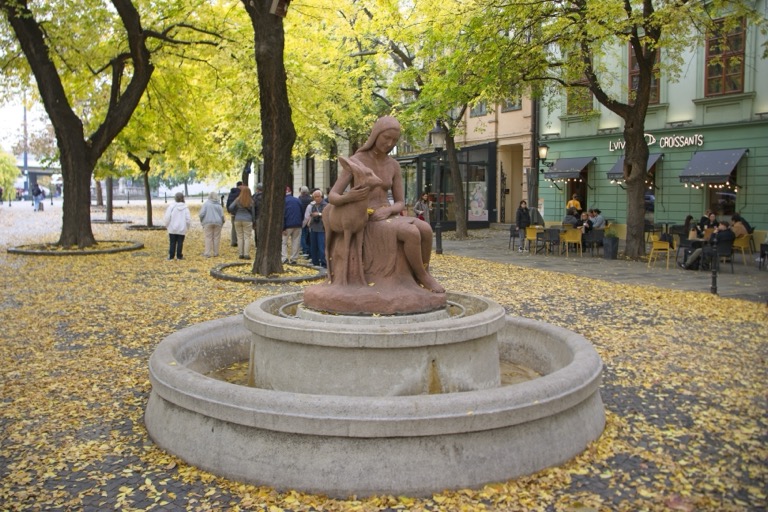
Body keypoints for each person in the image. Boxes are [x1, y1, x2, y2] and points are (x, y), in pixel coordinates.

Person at [228, 185, 256, 260]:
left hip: (237, 219)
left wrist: (236, 212)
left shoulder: (237, 200)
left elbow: (230, 207)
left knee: (239, 237)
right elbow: (253, 212)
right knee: (247, 237)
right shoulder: (251, 201)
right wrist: (253, 221)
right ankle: (246, 254)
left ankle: (240, 254)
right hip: (247, 220)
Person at [163, 192, 191, 260]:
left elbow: (167, 217)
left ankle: (171, 256)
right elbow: (188, 219)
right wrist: (188, 226)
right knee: (180, 242)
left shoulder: (171, 207)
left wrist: (166, 225)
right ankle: (179, 256)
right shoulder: (185, 208)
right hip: (182, 228)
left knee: (172, 242)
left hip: (172, 228)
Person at [199, 191, 225, 258]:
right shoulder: (218, 205)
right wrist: (222, 221)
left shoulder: (206, 204)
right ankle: (216, 253)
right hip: (218, 222)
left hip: (208, 222)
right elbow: (222, 215)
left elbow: (201, 214)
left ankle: (207, 253)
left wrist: (202, 221)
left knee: (208, 237)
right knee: (216, 238)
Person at [305, 189, 327, 267]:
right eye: (315, 197)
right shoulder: (313, 206)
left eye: (318, 197)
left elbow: (327, 215)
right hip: (313, 227)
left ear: (321, 197)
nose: (317, 198)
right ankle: (315, 262)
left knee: (321, 246)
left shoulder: (325, 205)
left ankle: (324, 263)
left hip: (322, 228)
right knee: (313, 246)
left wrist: (319, 214)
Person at [282, 187, 303, 264]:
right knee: (296, 241)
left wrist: (282, 227)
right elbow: (302, 212)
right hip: (297, 224)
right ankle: (294, 258)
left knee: (283, 242)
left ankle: (284, 258)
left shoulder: (283, 201)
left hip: (287, 225)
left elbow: (283, 215)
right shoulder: (297, 200)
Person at [226, 181, 242, 247]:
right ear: (241, 186)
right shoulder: (240, 193)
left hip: (233, 213)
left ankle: (233, 241)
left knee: (233, 227)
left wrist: (229, 210)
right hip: (239, 213)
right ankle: (240, 241)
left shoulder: (231, 193)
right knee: (240, 228)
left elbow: (228, 202)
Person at [298, 186, 313, 257]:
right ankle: (309, 249)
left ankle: (305, 249)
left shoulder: (300, 199)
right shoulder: (311, 199)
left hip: (302, 219)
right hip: (310, 219)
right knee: (308, 236)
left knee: (302, 235)